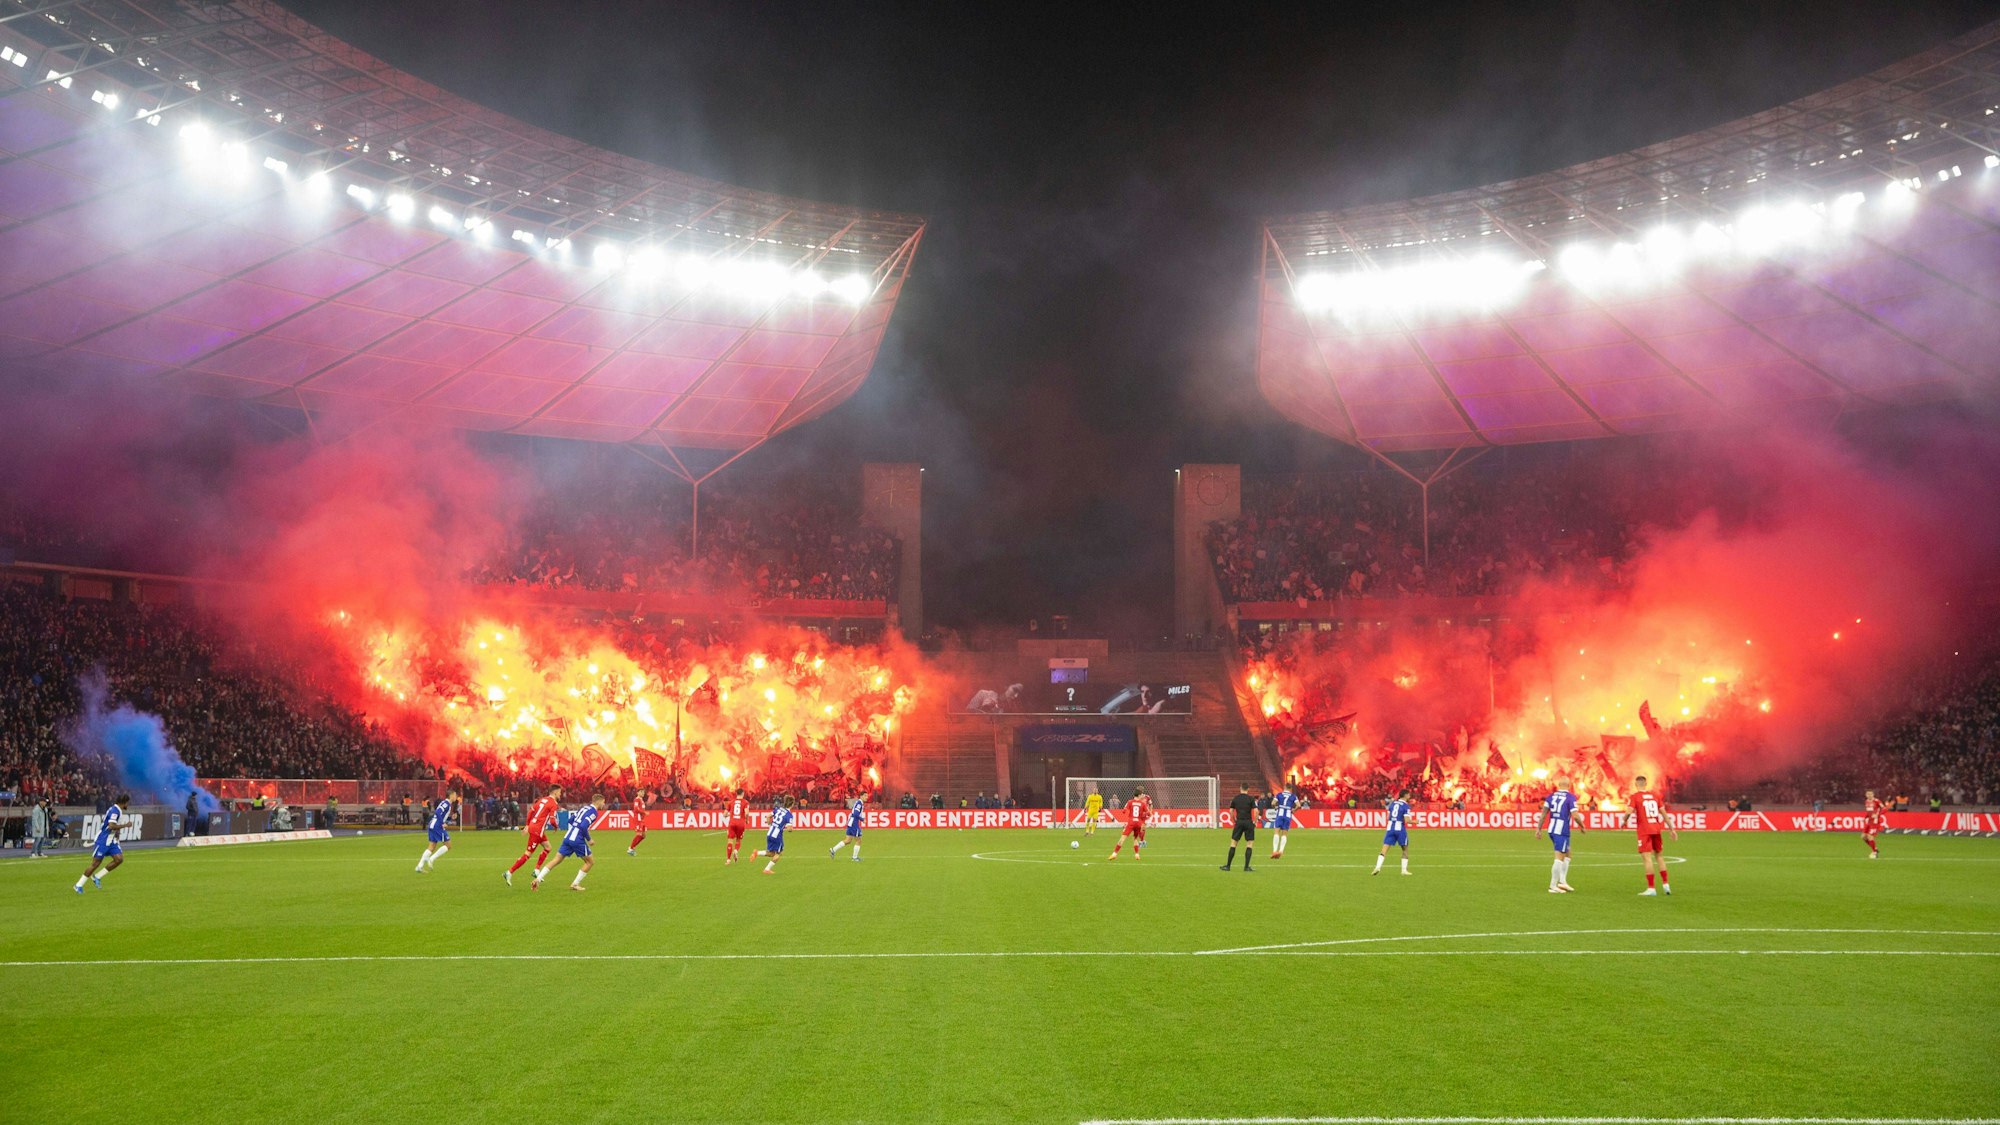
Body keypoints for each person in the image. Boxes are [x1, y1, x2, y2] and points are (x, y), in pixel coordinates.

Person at [535, 793, 603, 892]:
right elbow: (584, 826)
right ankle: (575, 884)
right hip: (577, 839)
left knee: (556, 860)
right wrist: (589, 839)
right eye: (603, 802)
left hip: (568, 836)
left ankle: (538, 879)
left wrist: (575, 828)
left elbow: (570, 820)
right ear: (599, 801)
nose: (603, 805)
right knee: (590, 862)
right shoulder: (594, 812)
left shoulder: (584, 808)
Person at [1624, 776, 1678, 895]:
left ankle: (1651, 888)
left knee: (1647, 858)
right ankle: (1666, 885)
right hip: (1656, 828)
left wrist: (1624, 821)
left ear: (1635, 784)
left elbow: (1628, 812)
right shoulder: (1655, 796)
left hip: (1644, 830)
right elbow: (1664, 814)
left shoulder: (1635, 797)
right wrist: (1672, 829)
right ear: (1646, 783)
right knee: (1659, 857)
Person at [506, 784, 563, 885]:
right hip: (537, 830)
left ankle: (536, 870)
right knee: (527, 854)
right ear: (554, 792)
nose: (560, 794)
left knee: (548, 847)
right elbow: (553, 819)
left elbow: (530, 811)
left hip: (535, 828)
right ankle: (509, 872)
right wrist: (556, 827)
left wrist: (528, 825)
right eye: (559, 792)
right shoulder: (553, 803)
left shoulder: (542, 799)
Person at [73, 792, 130, 894]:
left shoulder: (116, 810)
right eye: (127, 803)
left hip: (111, 840)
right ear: (124, 802)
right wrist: (125, 825)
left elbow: (112, 826)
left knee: (119, 859)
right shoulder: (115, 811)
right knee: (95, 864)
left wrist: (117, 834)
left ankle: (97, 877)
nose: (128, 805)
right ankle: (78, 885)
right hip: (103, 840)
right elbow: (111, 825)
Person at [1537, 778, 1586, 893]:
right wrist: (1582, 826)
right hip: (1561, 830)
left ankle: (1562, 882)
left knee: (1568, 853)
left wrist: (1538, 828)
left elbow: (1543, 814)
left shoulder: (1550, 796)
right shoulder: (1570, 797)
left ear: (1558, 785)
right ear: (1570, 785)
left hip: (1552, 828)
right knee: (1559, 858)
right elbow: (1575, 816)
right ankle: (1552, 886)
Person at [415, 789, 459, 873]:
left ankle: (419, 866)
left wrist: (450, 818)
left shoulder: (445, 803)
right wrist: (443, 823)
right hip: (437, 826)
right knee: (448, 845)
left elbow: (440, 814)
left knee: (431, 847)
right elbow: (438, 812)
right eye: (455, 795)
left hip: (432, 824)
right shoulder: (446, 804)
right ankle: (431, 859)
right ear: (451, 795)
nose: (456, 797)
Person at [1373, 789, 1412, 875]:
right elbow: (1407, 820)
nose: (1409, 796)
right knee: (1405, 849)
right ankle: (1404, 870)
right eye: (1408, 794)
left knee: (1384, 850)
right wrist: (1416, 822)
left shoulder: (1393, 803)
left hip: (1390, 828)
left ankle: (1377, 867)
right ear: (1405, 795)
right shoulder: (1406, 806)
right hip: (1400, 829)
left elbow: (1388, 817)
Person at [1221, 782, 1258, 871]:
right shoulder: (1251, 799)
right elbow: (1256, 811)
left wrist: (1234, 820)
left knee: (1233, 843)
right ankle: (1246, 867)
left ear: (1240, 788)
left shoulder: (1236, 798)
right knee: (1249, 844)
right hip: (1248, 822)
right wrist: (1254, 822)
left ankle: (1228, 866)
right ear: (1248, 789)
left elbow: (1230, 811)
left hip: (1239, 822)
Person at [753, 795, 795, 875]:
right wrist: (789, 827)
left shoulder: (778, 809)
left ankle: (757, 853)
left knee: (772, 853)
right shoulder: (789, 815)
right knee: (779, 853)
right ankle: (767, 869)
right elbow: (789, 829)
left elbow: (768, 817)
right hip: (777, 835)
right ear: (792, 804)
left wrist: (770, 825)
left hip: (770, 832)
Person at [1107, 786, 1152, 861]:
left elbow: (1124, 810)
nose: (1142, 796)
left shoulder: (1130, 802)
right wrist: (1145, 814)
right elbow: (1149, 813)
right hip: (1138, 823)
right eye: (1141, 795)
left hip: (1131, 822)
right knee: (1135, 839)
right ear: (1139, 795)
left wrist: (1126, 811)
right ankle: (1137, 854)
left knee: (1123, 838)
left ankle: (1114, 854)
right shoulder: (1142, 804)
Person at [829, 793, 866, 861]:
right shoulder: (859, 803)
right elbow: (855, 814)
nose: (866, 797)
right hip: (854, 823)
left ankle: (833, 850)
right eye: (865, 796)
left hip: (851, 823)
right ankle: (854, 858)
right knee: (858, 840)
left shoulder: (859, 803)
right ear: (861, 796)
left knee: (848, 840)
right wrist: (862, 819)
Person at [1269, 781, 1299, 859]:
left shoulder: (1279, 794)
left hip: (1280, 814)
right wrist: (1293, 810)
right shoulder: (1293, 796)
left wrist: (1276, 807)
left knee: (1276, 832)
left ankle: (1275, 851)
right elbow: (1298, 805)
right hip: (1288, 815)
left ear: (1285, 787)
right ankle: (1281, 851)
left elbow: (1272, 803)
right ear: (1290, 789)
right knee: (1284, 834)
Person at [724, 789, 749, 865]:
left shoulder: (731, 802)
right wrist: (747, 820)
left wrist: (730, 814)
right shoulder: (745, 802)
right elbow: (747, 813)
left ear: (736, 794)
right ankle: (736, 851)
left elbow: (725, 814)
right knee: (738, 840)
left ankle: (728, 860)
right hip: (740, 823)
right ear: (743, 793)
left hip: (732, 823)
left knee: (730, 840)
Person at [1863, 788, 1887, 859]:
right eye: (1868, 794)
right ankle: (1875, 849)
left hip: (1875, 822)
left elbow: (1884, 809)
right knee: (1863, 837)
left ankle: (1874, 852)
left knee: (1870, 836)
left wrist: (1878, 815)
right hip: (1869, 821)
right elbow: (1869, 812)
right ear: (1866, 795)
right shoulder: (1866, 801)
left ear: (1873, 794)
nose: (1869, 795)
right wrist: (1865, 818)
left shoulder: (1877, 801)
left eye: (1871, 794)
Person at [627, 788, 652, 856]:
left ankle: (632, 847)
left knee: (643, 836)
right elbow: (635, 809)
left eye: (643, 792)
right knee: (639, 834)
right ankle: (630, 849)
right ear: (637, 793)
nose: (642, 793)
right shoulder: (637, 799)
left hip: (642, 819)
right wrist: (644, 812)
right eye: (641, 792)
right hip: (638, 819)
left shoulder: (641, 800)